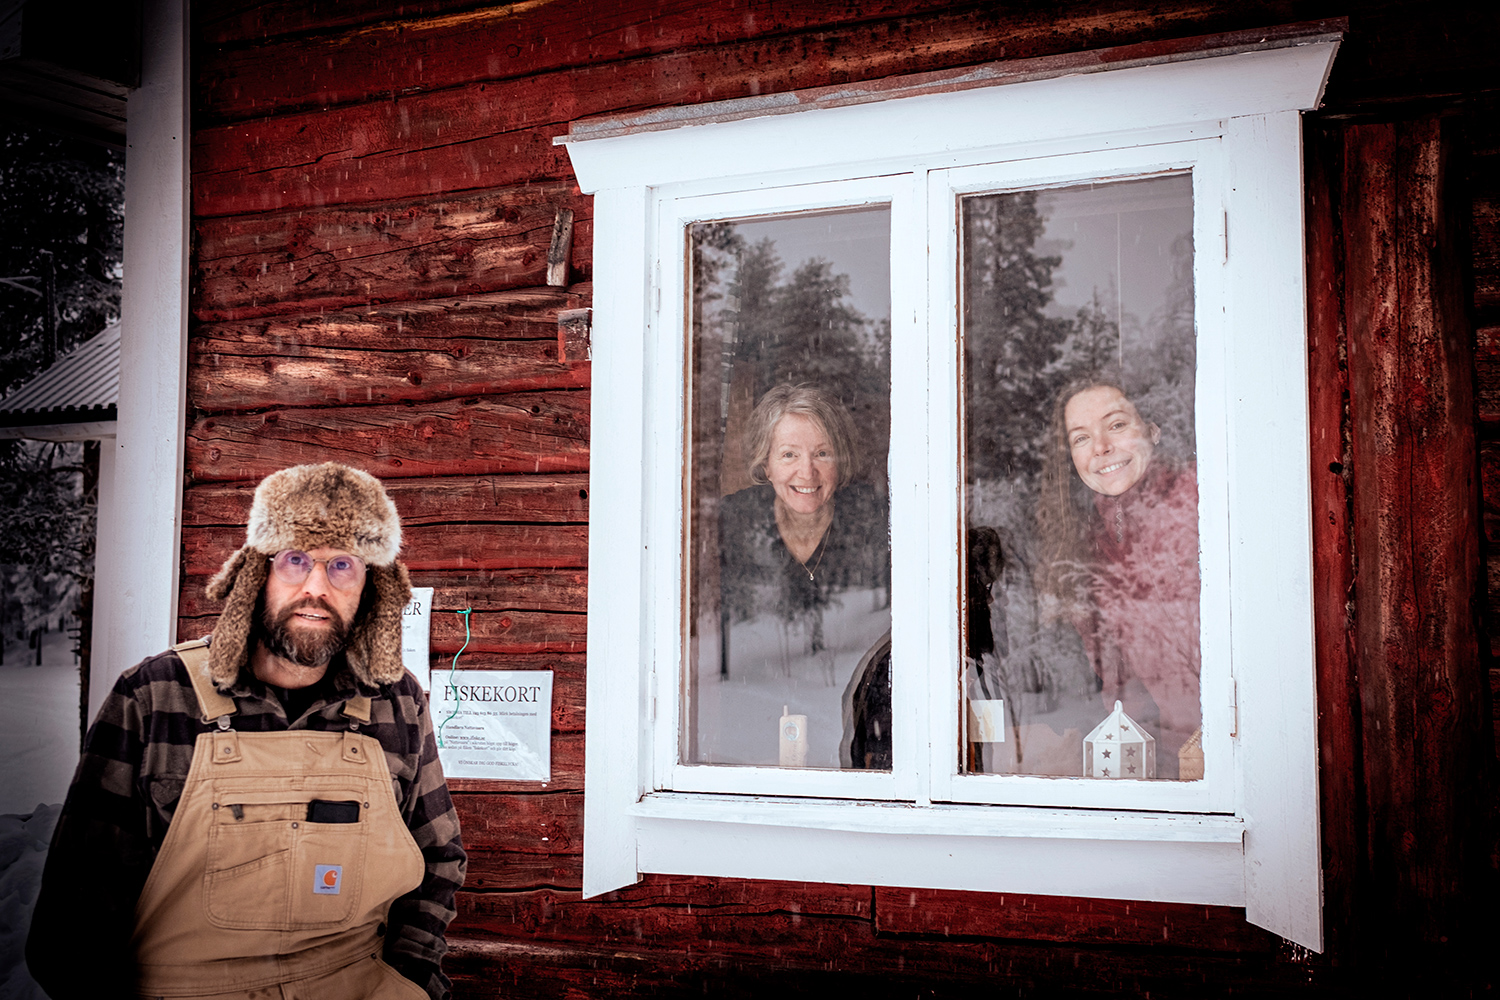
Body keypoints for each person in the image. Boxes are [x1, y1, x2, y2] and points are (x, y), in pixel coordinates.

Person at [27, 463, 467, 1000]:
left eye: (342, 566)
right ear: (257, 572)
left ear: (370, 587)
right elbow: (72, 927)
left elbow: (438, 857)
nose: (315, 588)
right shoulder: (156, 697)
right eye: (296, 560)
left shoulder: (395, 702)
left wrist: (408, 978)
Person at [712, 384, 891, 769]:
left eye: (822, 453)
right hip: (744, 728)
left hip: (856, 729)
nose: (806, 471)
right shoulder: (729, 524)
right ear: (766, 463)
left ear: (840, 459)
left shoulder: (877, 523)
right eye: (789, 454)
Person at [1037, 377, 1200, 778]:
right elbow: (1124, 686)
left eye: (1116, 425)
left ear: (1152, 429)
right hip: (1167, 762)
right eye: (1080, 438)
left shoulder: (1201, 499)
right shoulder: (1086, 541)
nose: (1101, 448)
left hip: (1238, 752)